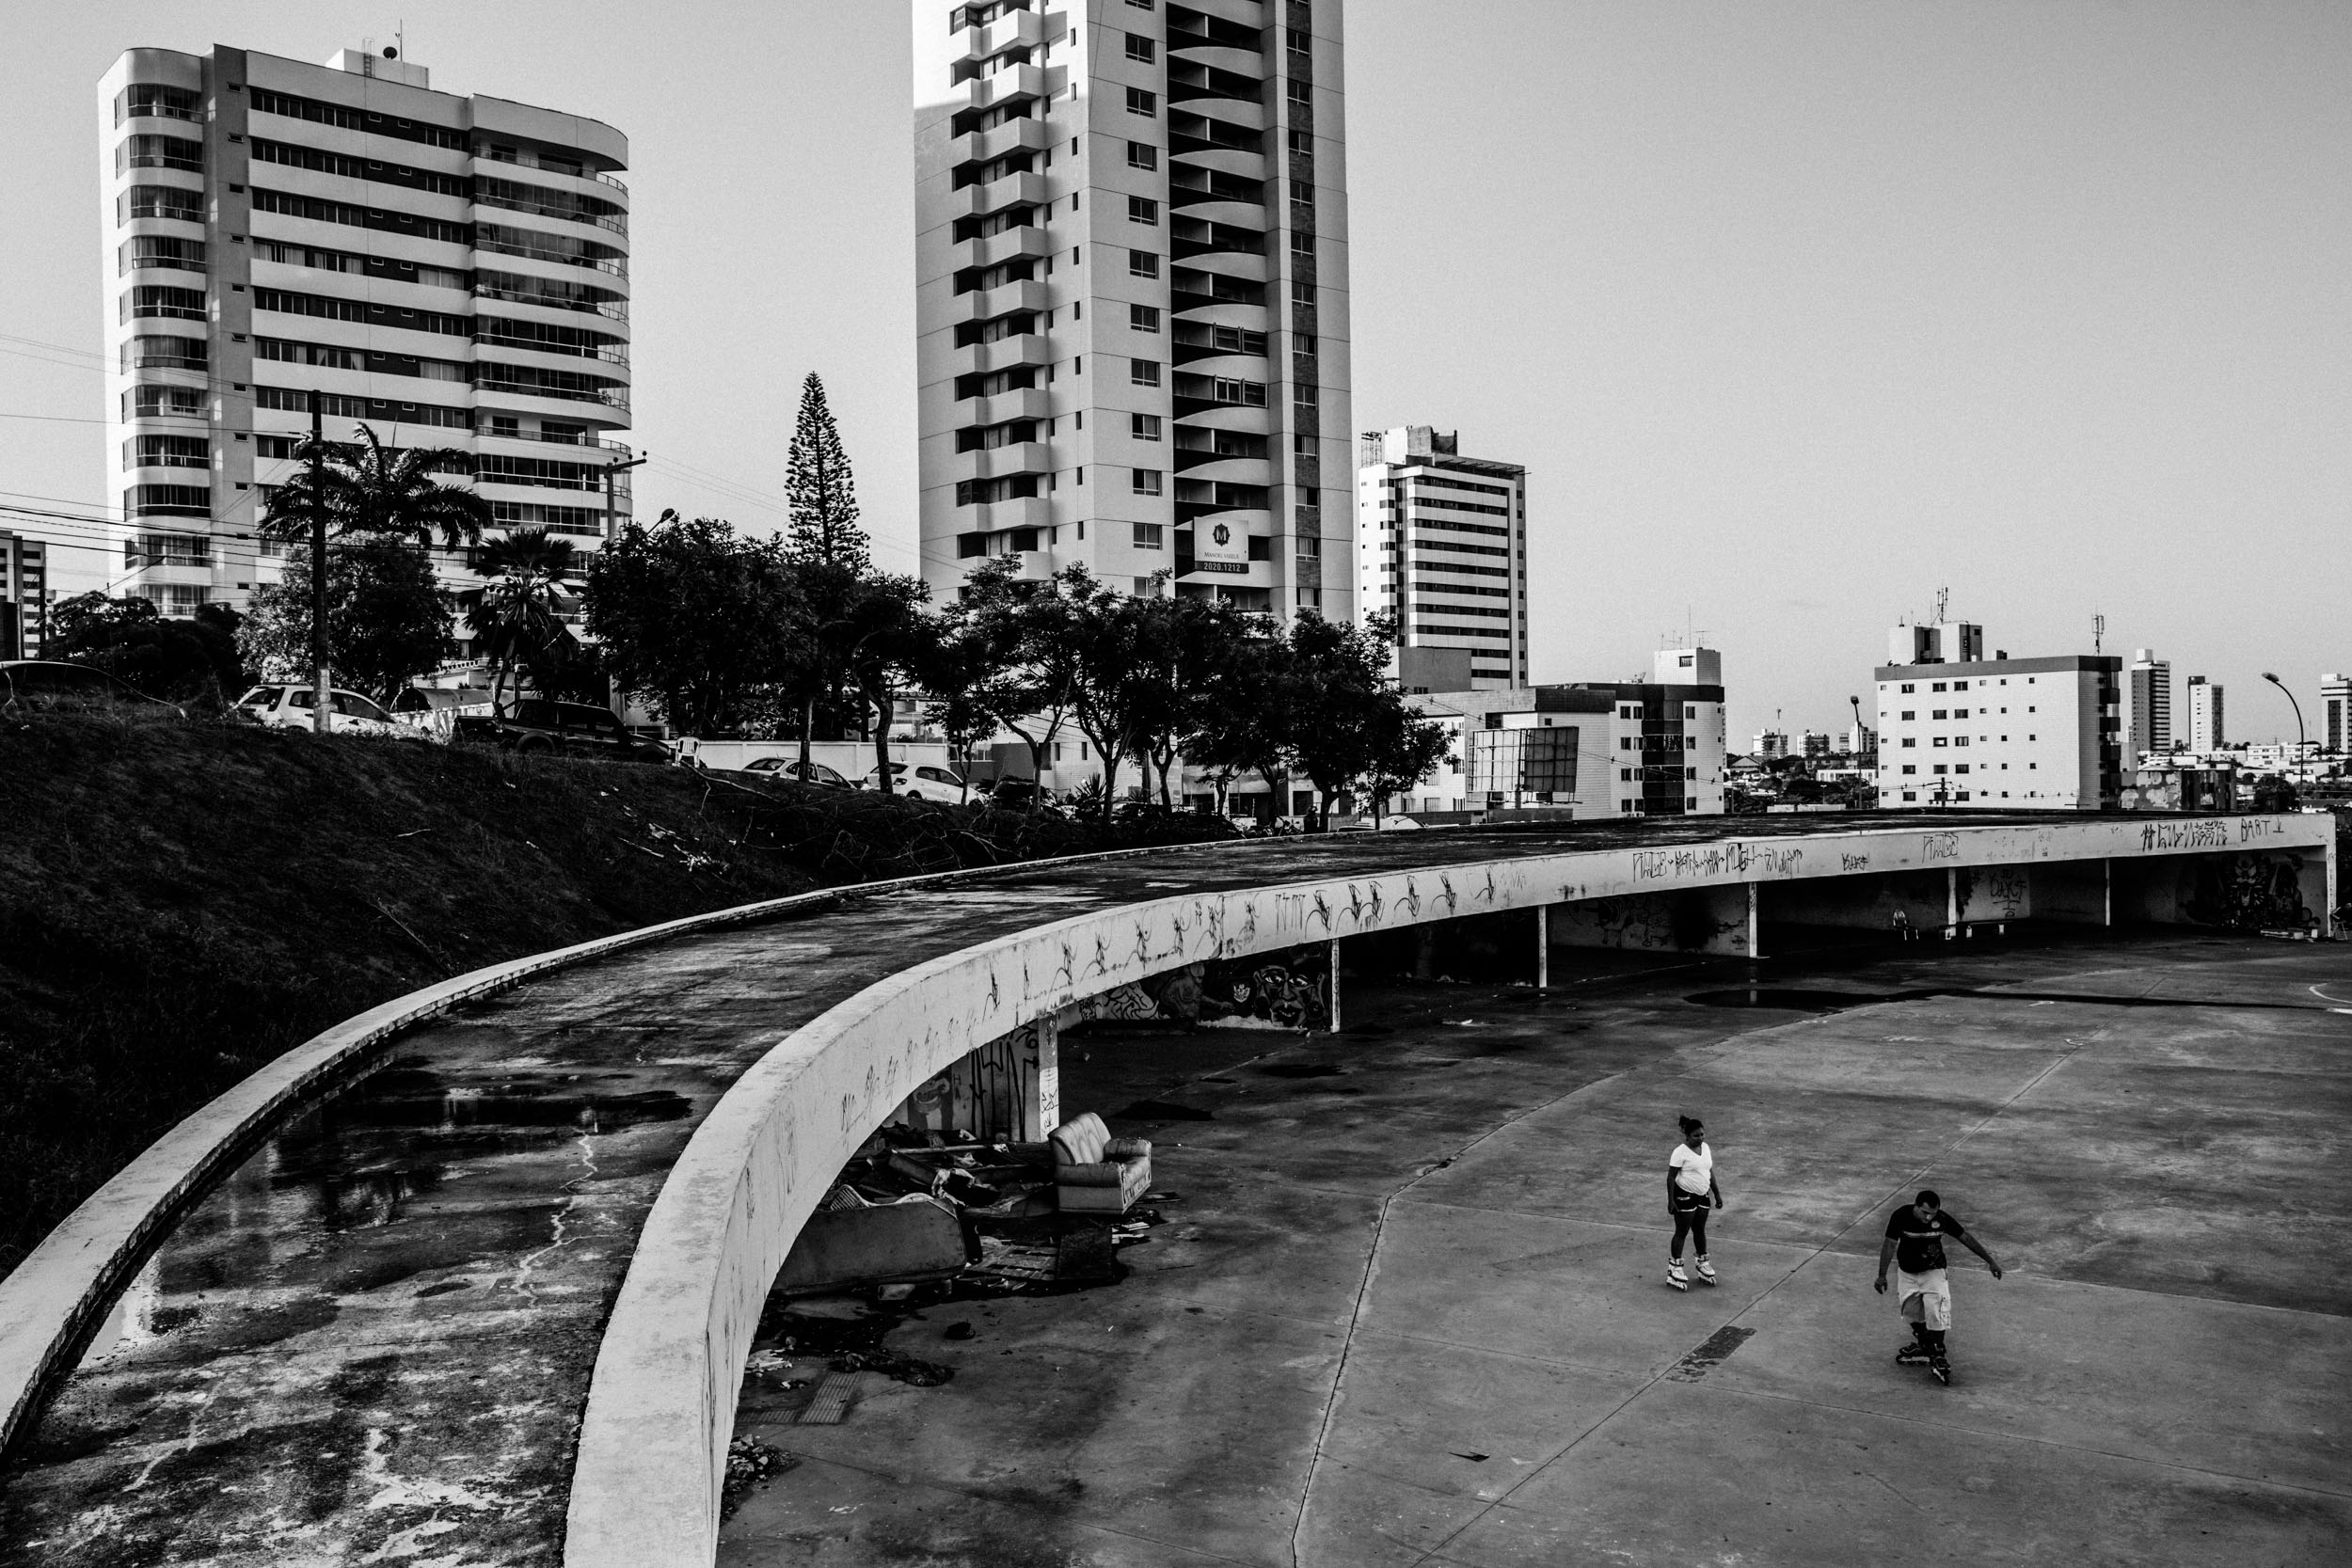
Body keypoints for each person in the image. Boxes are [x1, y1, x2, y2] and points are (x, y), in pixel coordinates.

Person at [1875, 1189, 2003, 1385]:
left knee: (1937, 1311)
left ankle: (1937, 1351)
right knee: (1910, 1312)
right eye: (1924, 1213)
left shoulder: (1942, 1219)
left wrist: (1990, 1261)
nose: (1929, 1218)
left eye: (1932, 1214)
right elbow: (1889, 1244)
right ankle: (1924, 1343)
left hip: (1933, 1271)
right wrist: (1882, 1275)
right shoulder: (1900, 1216)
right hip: (1907, 1272)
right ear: (1916, 1206)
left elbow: (1965, 1238)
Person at [1665, 1115, 1725, 1291]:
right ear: (1687, 1136)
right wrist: (1671, 1201)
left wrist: (1717, 1193)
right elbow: (1670, 1178)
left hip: (1702, 1195)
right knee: (1682, 1231)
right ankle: (1675, 1267)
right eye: (1696, 1136)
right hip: (1684, 1196)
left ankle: (1702, 1262)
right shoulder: (1680, 1152)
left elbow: (1709, 1170)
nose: (1700, 1138)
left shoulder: (1705, 1148)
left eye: (1702, 1135)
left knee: (1699, 1229)